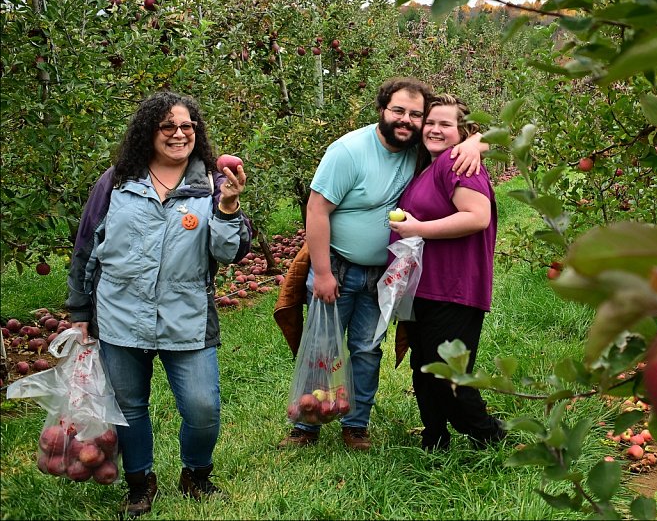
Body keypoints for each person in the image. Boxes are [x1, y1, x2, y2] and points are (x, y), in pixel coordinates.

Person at [66, 91, 251, 518]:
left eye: (187, 126)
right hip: (119, 313)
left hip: (185, 316)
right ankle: (139, 481)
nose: (179, 133)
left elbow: (231, 252)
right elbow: (86, 244)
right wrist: (79, 312)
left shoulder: (212, 185)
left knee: (203, 407)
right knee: (130, 407)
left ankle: (196, 475)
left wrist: (227, 208)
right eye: (168, 126)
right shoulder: (116, 181)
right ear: (149, 132)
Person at [278, 78, 485, 450]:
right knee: (322, 344)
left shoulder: (420, 150)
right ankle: (306, 425)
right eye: (398, 111)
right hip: (338, 267)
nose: (407, 120)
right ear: (382, 110)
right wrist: (322, 272)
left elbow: (469, 134)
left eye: (415, 114)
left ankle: (356, 424)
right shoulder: (349, 150)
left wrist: (475, 141)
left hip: (383, 275)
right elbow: (316, 209)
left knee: (366, 349)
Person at [387, 94, 505, 451]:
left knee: (447, 371)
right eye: (431, 122)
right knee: (425, 368)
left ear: (462, 130)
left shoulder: (456, 162)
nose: (435, 129)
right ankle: (434, 437)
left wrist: (418, 228)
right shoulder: (430, 163)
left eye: (446, 124)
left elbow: (476, 217)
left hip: (454, 285)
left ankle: (488, 433)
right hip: (426, 286)